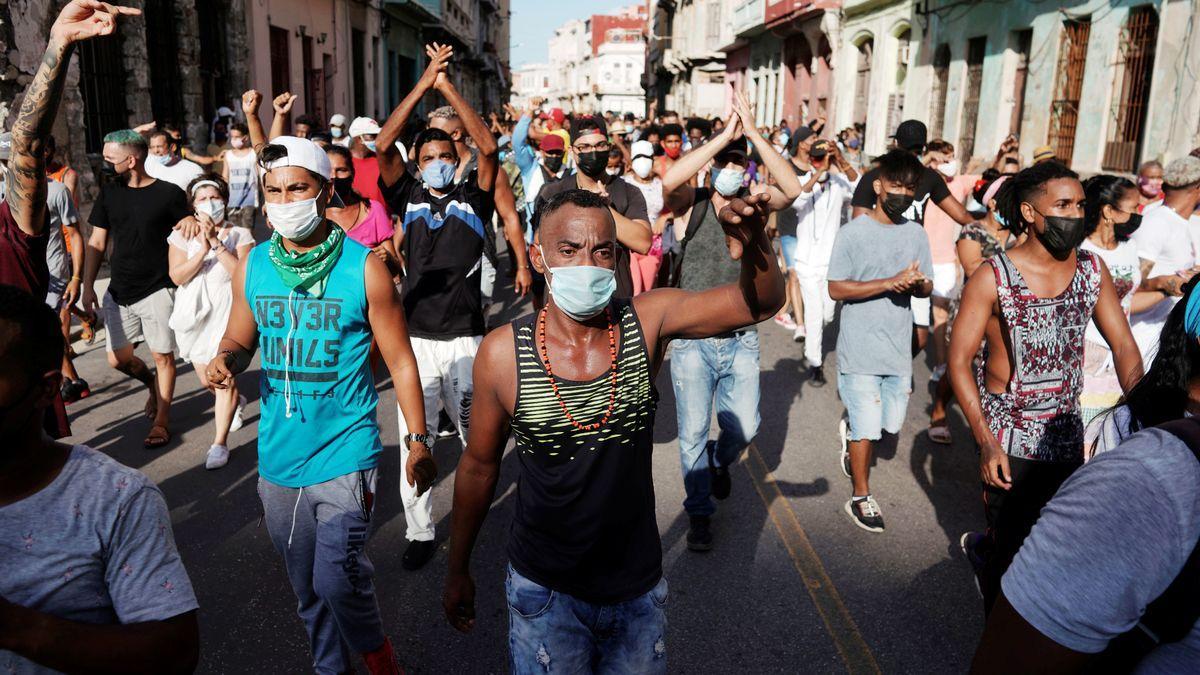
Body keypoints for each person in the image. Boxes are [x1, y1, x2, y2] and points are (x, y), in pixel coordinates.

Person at [441, 187, 786, 671]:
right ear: (538, 258)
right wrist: (458, 568)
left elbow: (760, 302)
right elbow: (478, 468)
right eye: (569, 249)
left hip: (635, 588)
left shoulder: (648, 319)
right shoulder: (502, 354)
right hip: (545, 591)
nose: (588, 262)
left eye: (602, 250)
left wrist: (755, 244)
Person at [205, 135, 431, 675]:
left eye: (298, 189)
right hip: (279, 459)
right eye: (274, 191)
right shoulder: (253, 264)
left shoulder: (366, 268)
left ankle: (378, 656)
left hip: (345, 449)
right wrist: (225, 360)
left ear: (324, 189)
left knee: (336, 576)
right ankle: (331, 667)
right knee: (306, 587)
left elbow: (400, 361)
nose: (285, 202)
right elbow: (240, 337)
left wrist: (417, 443)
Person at [949, 162, 1143, 614]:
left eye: (1079, 204)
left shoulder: (1093, 271)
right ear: (1030, 212)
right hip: (1008, 440)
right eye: (1062, 205)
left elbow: (1125, 347)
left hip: (1066, 435)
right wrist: (986, 441)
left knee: (1053, 553)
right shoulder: (992, 277)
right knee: (1009, 556)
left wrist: (1141, 415)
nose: (1075, 214)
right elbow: (960, 362)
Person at [375, 43, 498, 571]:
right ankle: (421, 531)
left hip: (468, 338)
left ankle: (471, 523)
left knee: (476, 440)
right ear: (417, 165)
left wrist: (449, 88)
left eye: (445, 156)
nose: (437, 164)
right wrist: (424, 82)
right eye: (427, 158)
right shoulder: (407, 196)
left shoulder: (475, 197)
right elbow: (382, 144)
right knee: (415, 442)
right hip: (416, 341)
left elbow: (489, 150)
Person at [660, 91, 802, 550]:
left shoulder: (755, 202)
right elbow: (670, 180)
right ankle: (699, 512)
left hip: (741, 338)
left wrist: (755, 134)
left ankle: (721, 463)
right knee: (693, 434)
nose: (732, 168)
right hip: (691, 339)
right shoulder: (694, 202)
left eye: (738, 162)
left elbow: (794, 188)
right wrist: (722, 137)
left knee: (746, 426)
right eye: (725, 162)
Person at [971, 417, 1200, 673]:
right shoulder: (1152, 480)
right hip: (1015, 447)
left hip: (1066, 452)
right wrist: (987, 439)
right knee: (1009, 557)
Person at [827, 149, 934, 533]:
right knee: (868, 427)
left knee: (890, 426)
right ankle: (859, 495)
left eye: (910, 187)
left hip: (896, 352)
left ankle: (852, 430)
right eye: (896, 185)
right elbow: (836, 288)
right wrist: (888, 283)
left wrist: (917, 284)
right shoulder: (852, 233)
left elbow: (926, 287)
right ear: (877, 186)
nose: (902, 193)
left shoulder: (915, 234)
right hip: (859, 350)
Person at [81, 129, 191, 449]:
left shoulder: (169, 194)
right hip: (118, 290)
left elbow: (187, 231)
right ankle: (151, 384)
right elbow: (97, 242)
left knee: (162, 356)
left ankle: (162, 420)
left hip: (157, 288)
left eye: (109, 159)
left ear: (131, 160)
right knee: (118, 359)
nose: (104, 164)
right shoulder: (109, 193)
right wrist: (87, 285)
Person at [852, 120, 973, 357]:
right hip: (890, 265)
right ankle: (882, 369)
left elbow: (858, 224)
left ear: (895, 143)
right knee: (905, 331)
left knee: (914, 333)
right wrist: (990, 227)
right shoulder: (884, 176)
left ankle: (891, 368)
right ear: (924, 148)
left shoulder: (882, 176)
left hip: (909, 264)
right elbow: (962, 215)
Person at [166, 175, 252, 470]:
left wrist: (215, 242)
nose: (209, 203)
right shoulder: (181, 234)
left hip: (228, 314)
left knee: (223, 379)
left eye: (214, 196)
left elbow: (241, 275)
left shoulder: (240, 234)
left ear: (224, 200)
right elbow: (177, 276)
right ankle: (234, 402)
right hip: (194, 317)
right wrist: (200, 249)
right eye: (201, 198)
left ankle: (219, 443)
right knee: (207, 380)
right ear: (192, 204)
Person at [927, 175, 1017, 444]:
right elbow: (972, 268)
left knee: (998, 368)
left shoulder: (1018, 236)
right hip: (973, 311)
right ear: (993, 204)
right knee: (961, 366)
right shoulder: (973, 232)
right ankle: (940, 408)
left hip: (1006, 313)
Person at [1079, 175, 1168, 429]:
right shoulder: (1081, 249)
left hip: (1117, 354)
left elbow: (1126, 303)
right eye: (1133, 209)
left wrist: (1167, 290)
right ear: (1108, 211)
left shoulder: (1129, 247)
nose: (1139, 214)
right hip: (1087, 351)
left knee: (1102, 435)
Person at [533, 114, 652, 299]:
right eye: (585, 147)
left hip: (613, 299)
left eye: (600, 145)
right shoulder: (552, 192)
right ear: (572, 150)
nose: (593, 152)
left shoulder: (628, 192)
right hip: (564, 301)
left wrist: (604, 209)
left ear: (609, 146)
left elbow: (643, 243)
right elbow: (540, 245)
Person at [425, 103, 532, 298]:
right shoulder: (429, 167)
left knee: (477, 324)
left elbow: (509, 217)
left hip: (479, 258)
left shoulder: (486, 169)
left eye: (435, 132)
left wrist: (522, 266)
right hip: (436, 261)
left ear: (456, 134)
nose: (429, 137)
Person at [784, 138, 859, 385]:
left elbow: (859, 187)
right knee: (815, 314)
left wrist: (840, 160)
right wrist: (818, 173)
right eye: (817, 158)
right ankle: (815, 362)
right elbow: (797, 201)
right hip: (806, 261)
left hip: (832, 262)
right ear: (810, 159)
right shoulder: (803, 183)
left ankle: (812, 346)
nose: (821, 162)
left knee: (828, 315)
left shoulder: (839, 183)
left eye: (824, 157)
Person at [1129, 156, 1200, 364]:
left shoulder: (1178, 222)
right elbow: (1128, 285)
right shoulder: (1157, 222)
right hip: (1140, 341)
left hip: (1160, 340)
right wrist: (1168, 284)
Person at [922, 139, 978, 383]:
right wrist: (928, 161)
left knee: (941, 315)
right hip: (919, 258)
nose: (949, 163)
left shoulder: (958, 184)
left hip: (946, 261)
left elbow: (988, 181)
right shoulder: (921, 182)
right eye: (943, 158)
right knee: (915, 318)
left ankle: (942, 364)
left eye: (951, 157)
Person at [324, 144, 401, 276]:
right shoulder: (311, 212)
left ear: (352, 174)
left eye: (341, 170)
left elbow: (395, 269)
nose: (334, 177)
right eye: (328, 171)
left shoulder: (372, 210)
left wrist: (386, 258)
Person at [511, 100, 567, 242]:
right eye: (550, 153)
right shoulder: (531, 168)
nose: (554, 157)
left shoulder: (570, 174)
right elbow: (518, 143)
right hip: (535, 239)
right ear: (542, 152)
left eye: (557, 153)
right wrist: (529, 112)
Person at [623, 140, 666, 295]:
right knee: (633, 290)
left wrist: (664, 218)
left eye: (646, 157)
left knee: (646, 293)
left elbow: (678, 207)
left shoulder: (660, 184)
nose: (643, 161)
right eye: (638, 157)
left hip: (653, 245)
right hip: (629, 244)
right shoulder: (623, 183)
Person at [220, 120, 258, 230]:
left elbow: (260, 176)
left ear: (245, 138)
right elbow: (225, 176)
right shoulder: (228, 155)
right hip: (232, 200)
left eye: (237, 137)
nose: (234, 140)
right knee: (233, 232)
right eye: (232, 137)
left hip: (249, 200)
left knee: (247, 232)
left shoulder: (253, 154)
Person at [348, 116, 389, 208]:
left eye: (377, 136)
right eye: (372, 136)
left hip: (384, 219)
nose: (377, 139)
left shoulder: (382, 160)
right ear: (358, 139)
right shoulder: (344, 163)